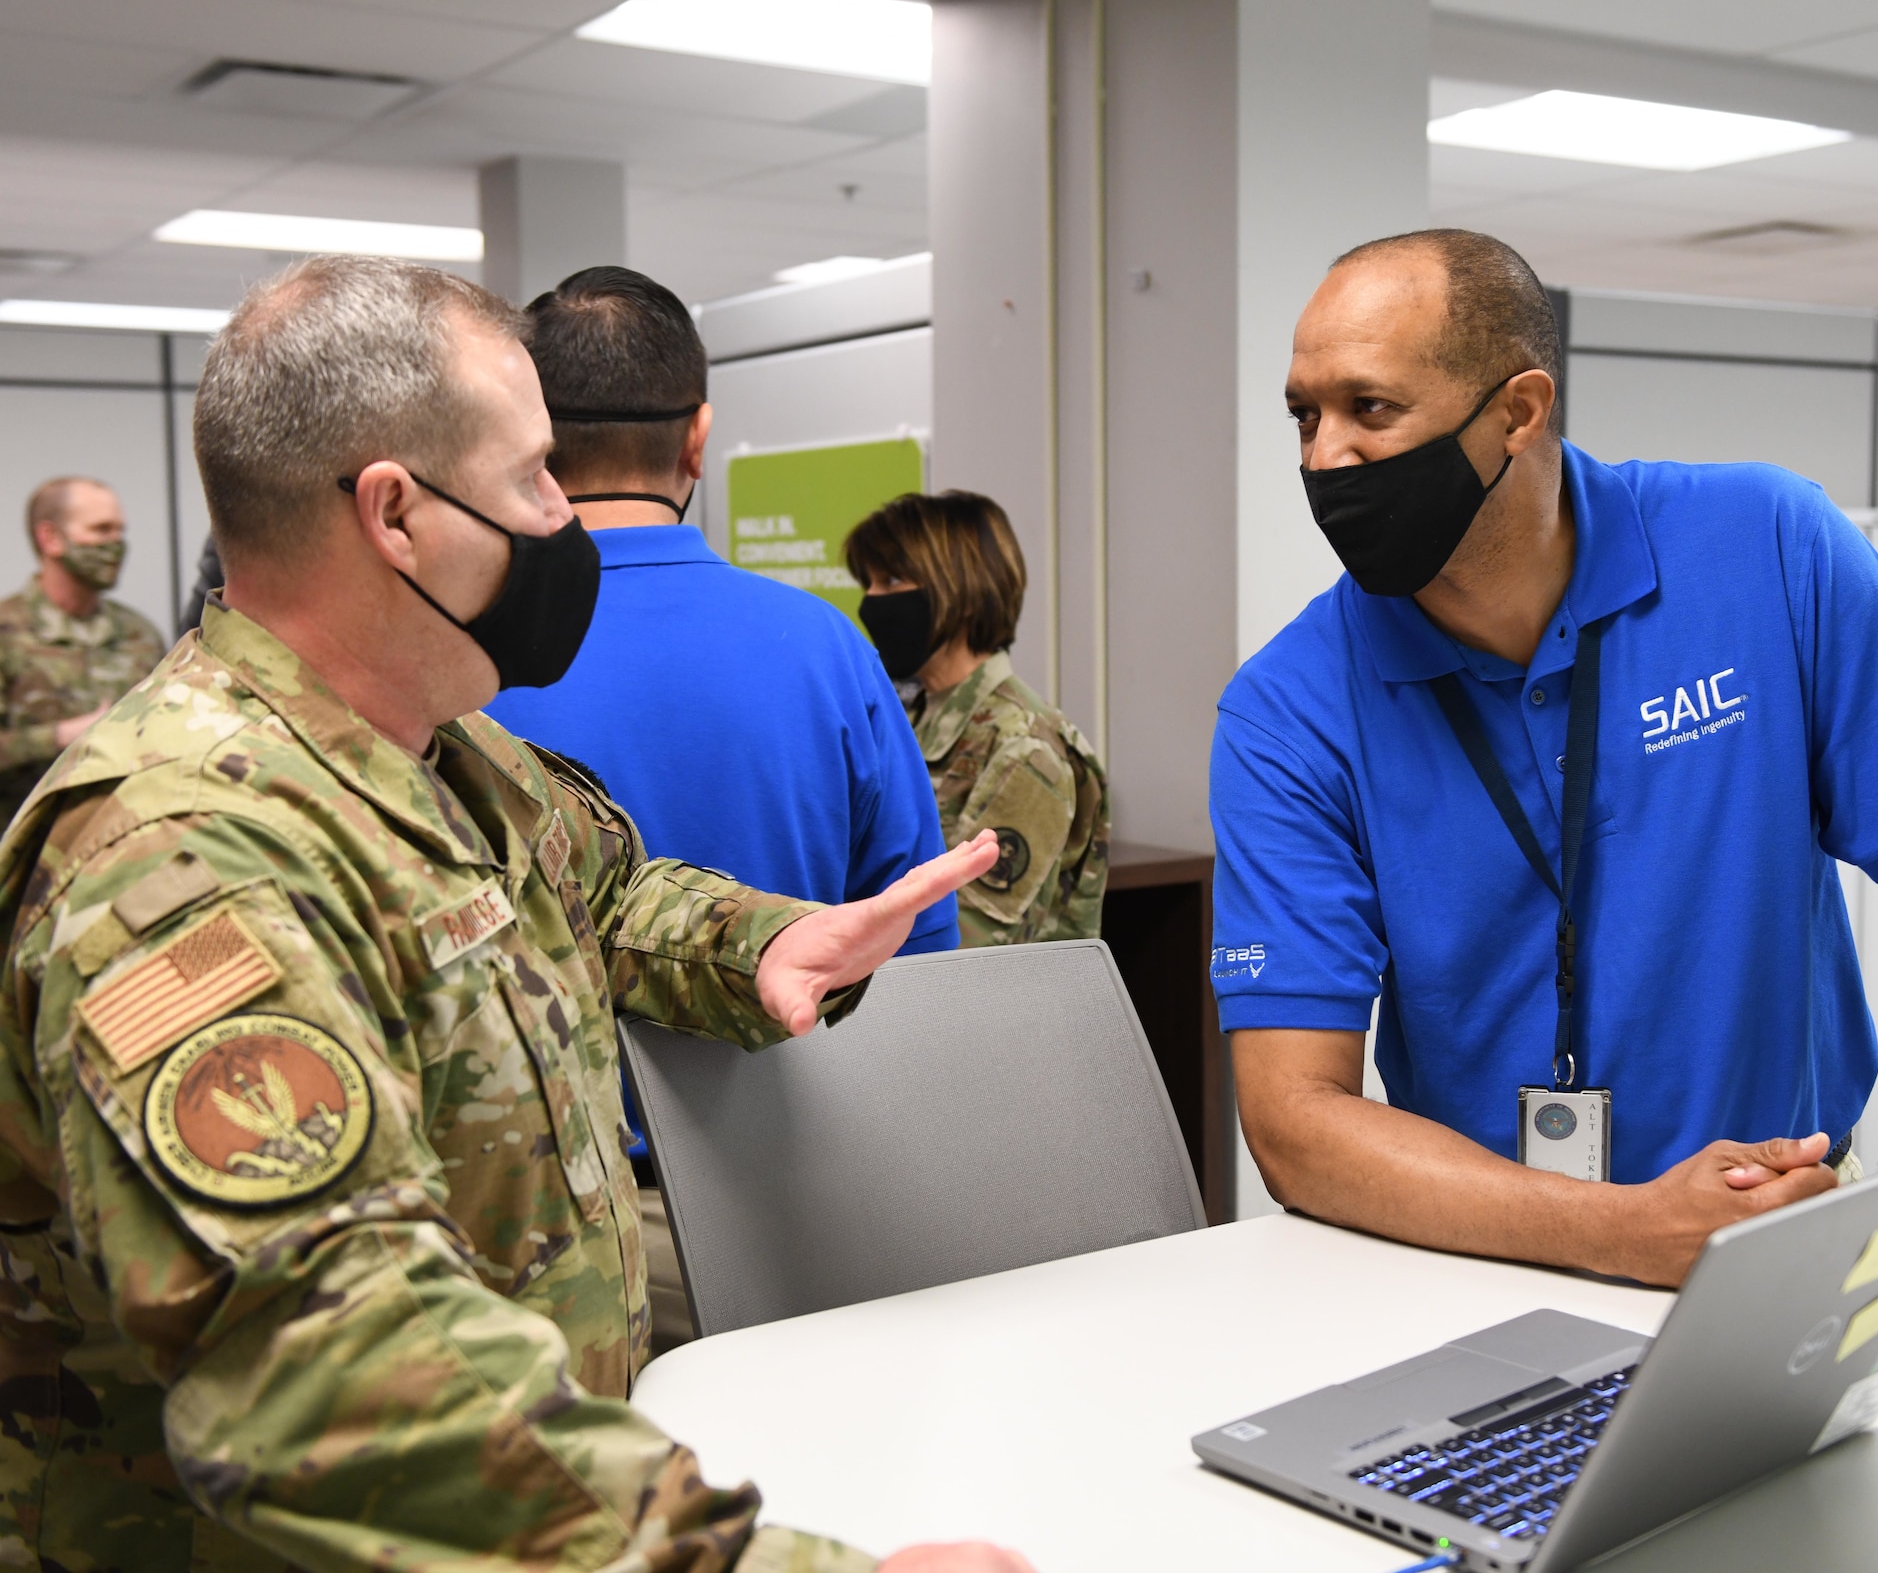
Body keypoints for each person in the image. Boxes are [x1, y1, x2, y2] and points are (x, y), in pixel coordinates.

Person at [0, 254, 1030, 1573]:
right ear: (394, 514)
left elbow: (600, 887)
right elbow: (335, 1365)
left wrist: (760, 936)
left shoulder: (445, 747)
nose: (568, 515)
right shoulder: (179, 860)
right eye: (533, 476)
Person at [1212, 228, 1878, 1288]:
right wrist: (1620, 1229)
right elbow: (1293, 1120)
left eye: (1369, 409)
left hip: (1785, 1232)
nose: (1322, 458)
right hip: (1471, 1249)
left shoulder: (1767, 547)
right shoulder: (1286, 711)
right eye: (1303, 416)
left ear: (1517, 411)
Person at [483, 267, 958, 1347]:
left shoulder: (466, 659)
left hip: (551, 1230)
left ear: (534, 440)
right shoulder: (826, 646)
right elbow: (918, 944)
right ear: (698, 440)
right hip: (797, 1188)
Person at [844, 491, 1108, 946]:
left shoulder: (1024, 747)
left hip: (978, 1008)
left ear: (960, 593)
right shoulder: (906, 716)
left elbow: (964, 942)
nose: (870, 602)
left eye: (890, 581)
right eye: (866, 582)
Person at [0, 476, 164, 825]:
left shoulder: (140, 634)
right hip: (23, 851)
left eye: (120, 531)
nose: (116, 544)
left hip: (120, 843)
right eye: (101, 530)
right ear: (51, 538)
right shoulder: (7, 632)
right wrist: (62, 736)